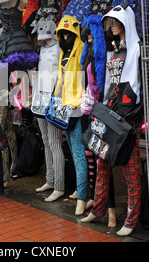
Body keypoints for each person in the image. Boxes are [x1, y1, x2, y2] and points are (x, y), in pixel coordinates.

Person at [81, 2, 143, 237]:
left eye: (115, 22)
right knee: (102, 164)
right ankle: (98, 209)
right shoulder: (113, 48)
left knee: (130, 170)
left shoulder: (136, 48)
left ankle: (130, 219)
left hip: (128, 117)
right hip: (109, 111)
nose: (111, 27)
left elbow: (141, 82)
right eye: (108, 24)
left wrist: (136, 111)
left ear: (124, 21)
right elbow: (106, 80)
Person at [79, 14, 116, 227]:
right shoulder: (90, 55)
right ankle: (97, 203)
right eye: (87, 35)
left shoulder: (105, 56)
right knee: (91, 159)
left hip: (100, 112)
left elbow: (106, 87)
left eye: (91, 34)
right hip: (88, 111)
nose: (88, 38)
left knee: (103, 162)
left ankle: (110, 211)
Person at [53, 15, 88, 215]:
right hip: (66, 107)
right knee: (74, 151)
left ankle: (83, 196)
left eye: (68, 33)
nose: (64, 36)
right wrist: (55, 98)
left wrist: (79, 100)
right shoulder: (64, 52)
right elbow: (61, 78)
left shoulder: (81, 47)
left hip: (78, 107)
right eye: (62, 33)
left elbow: (84, 78)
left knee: (79, 152)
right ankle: (80, 189)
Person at [31, 20, 66, 202]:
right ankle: (50, 180)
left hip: (54, 100)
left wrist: (57, 99)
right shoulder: (42, 50)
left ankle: (59, 185)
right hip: (40, 99)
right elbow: (38, 75)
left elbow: (63, 75)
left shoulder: (60, 49)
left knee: (54, 142)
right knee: (45, 141)